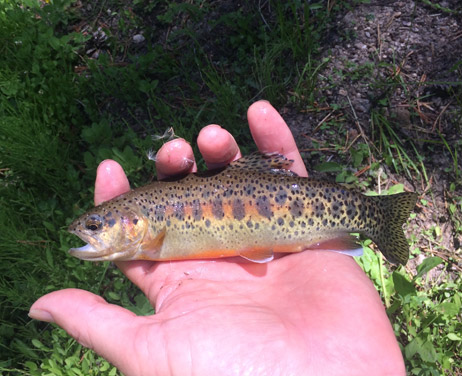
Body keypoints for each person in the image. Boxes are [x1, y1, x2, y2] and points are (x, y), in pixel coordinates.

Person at [30, 101, 406, 375]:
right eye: (93, 227)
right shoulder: (147, 225)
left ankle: (379, 214)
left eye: (95, 226)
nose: (87, 231)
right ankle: (378, 213)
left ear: (133, 223)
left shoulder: (149, 227)